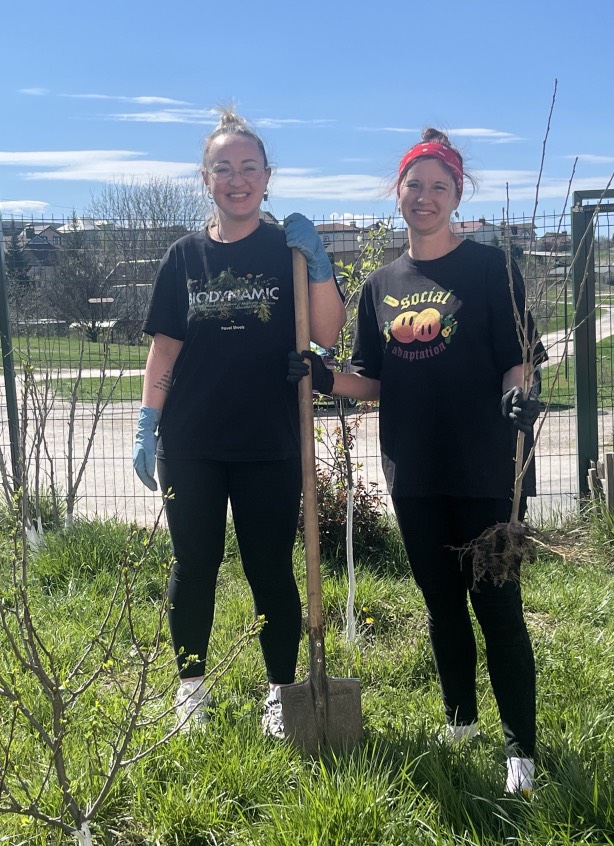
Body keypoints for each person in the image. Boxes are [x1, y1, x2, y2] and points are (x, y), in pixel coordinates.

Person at [288, 128, 545, 794]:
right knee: (442, 605)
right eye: (414, 185)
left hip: (488, 467)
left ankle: (520, 750)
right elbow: (372, 379)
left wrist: (519, 393)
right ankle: (460, 723)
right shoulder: (379, 285)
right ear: (396, 192)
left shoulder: (491, 270)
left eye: (438, 186)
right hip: (414, 468)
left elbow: (518, 360)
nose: (424, 196)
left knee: (497, 606)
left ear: (457, 195)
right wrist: (321, 375)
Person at [132, 109, 345, 735]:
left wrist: (320, 264)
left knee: (270, 569)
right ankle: (190, 691)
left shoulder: (288, 251)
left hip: (270, 440)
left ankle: (280, 693)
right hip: (191, 442)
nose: (237, 179)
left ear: (267, 177)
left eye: (249, 167)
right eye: (223, 168)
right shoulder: (183, 257)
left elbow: (328, 335)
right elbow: (164, 351)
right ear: (206, 179)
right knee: (193, 565)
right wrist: (148, 419)